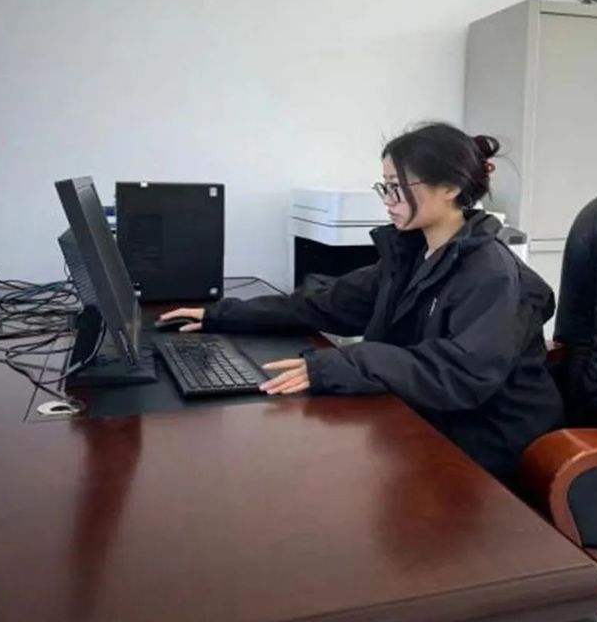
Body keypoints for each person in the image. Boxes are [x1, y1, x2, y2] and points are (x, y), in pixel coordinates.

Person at [158, 122, 562, 485]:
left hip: (487, 443)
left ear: (451, 187)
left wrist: (344, 363)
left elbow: (462, 374)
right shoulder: (411, 253)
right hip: (429, 419)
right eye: (384, 186)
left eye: (398, 187)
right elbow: (327, 304)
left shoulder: (491, 273)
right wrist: (224, 314)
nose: (388, 199)